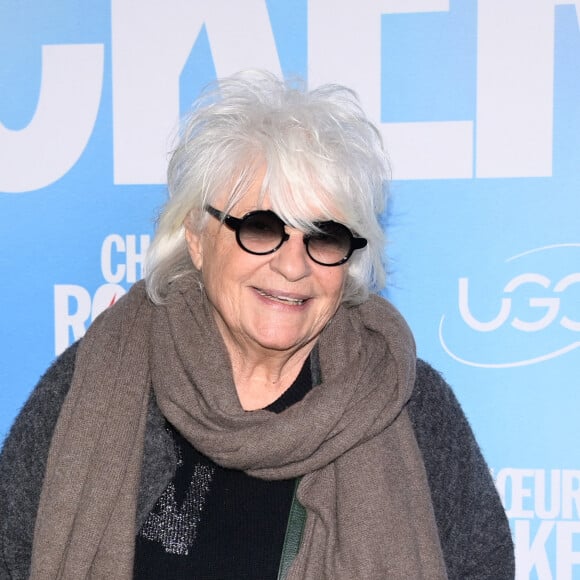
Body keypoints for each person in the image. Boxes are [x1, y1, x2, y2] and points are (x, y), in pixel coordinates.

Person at [0, 70, 514, 580]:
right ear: (198, 240)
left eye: (325, 236)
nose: (293, 266)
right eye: (261, 228)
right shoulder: (100, 377)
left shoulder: (407, 402)